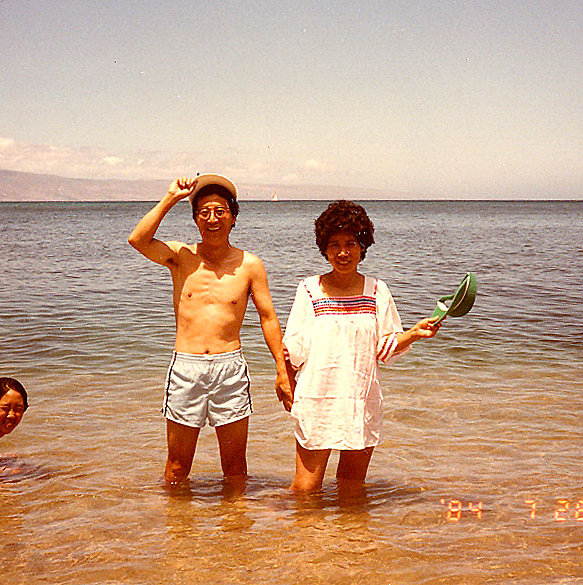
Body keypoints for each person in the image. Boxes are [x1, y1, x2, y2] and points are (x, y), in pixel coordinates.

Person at [128, 174, 292, 485]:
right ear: (195, 219)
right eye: (204, 212)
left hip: (229, 369)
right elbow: (138, 240)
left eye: (220, 211)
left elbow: (268, 317)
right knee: (177, 469)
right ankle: (176, 517)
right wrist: (170, 199)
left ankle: (234, 518)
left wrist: (282, 371)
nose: (212, 219)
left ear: (233, 217)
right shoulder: (181, 257)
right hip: (186, 368)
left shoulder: (250, 265)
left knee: (235, 468)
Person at [282, 200, 441, 492]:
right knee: (305, 490)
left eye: (351, 244)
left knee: (352, 489)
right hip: (318, 399)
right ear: (324, 248)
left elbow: (384, 348)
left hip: (361, 400)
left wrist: (414, 334)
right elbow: (293, 349)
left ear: (362, 246)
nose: (343, 252)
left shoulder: (377, 291)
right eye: (334, 244)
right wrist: (285, 381)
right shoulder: (309, 289)